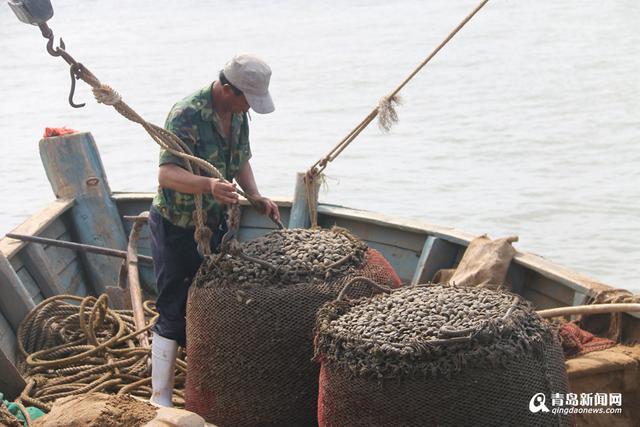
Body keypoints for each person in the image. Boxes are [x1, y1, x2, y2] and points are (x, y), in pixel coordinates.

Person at [148, 54, 280, 407]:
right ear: (225, 89)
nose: (246, 109)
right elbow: (167, 174)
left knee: (210, 301)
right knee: (174, 310)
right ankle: (159, 398)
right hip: (176, 225)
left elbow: (240, 161)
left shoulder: (238, 115)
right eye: (245, 101)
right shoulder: (186, 114)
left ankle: (205, 382)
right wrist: (208, 185)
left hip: (213, 224)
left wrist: (255, 197)